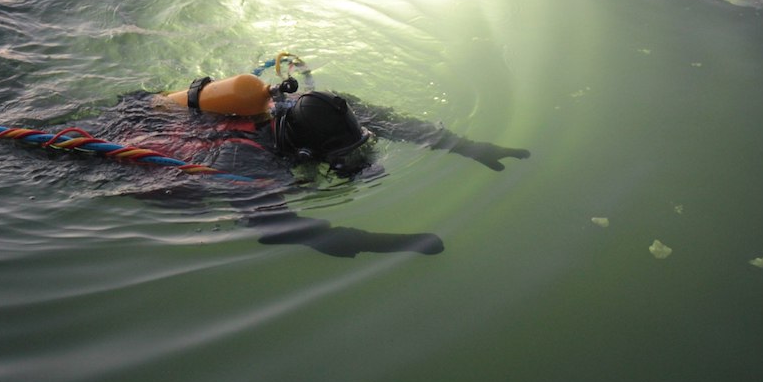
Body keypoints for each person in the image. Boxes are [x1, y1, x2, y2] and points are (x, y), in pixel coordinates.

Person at [94, 72, 530, 257]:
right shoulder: (242, 156)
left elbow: (399, 125)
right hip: (128, 140)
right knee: (185, 198)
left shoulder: (320, 107)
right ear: (303, 149)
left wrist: (472, 148)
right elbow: (276, 230)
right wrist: (386, 243)